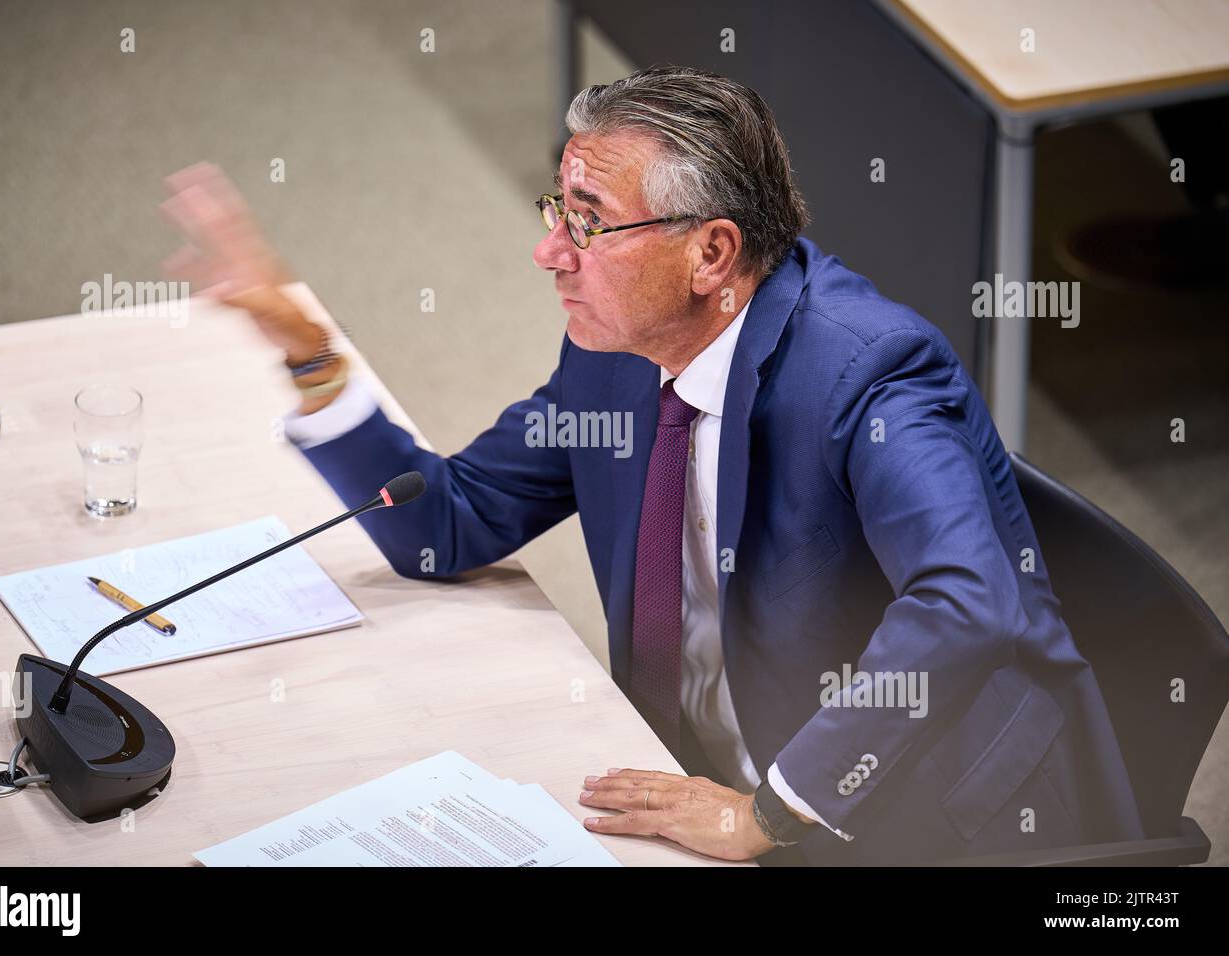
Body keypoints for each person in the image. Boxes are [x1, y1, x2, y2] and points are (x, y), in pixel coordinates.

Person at [160, 66, 1144, 865]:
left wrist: (774, 811)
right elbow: (444, 523)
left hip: (917, 817)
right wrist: (310, 350)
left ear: (711, 253)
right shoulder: (614, 357)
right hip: (686, 785)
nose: (548, 250)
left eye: (588, 220)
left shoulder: (869, 373)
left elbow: (967, 603)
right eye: (557, 205)